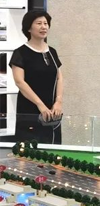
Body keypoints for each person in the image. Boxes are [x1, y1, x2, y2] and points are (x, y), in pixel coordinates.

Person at [10, 11, 63, 144]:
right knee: (30, 147)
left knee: (52, 147)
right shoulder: (20, 52)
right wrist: (40, 105)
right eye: (39, 23)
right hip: (29, 108)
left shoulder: (52, 52)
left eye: (46, 23)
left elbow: (59, 78)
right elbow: (20, 82)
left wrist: (58, 101)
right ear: (29, 28)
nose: (43, 27)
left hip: (52, 109)